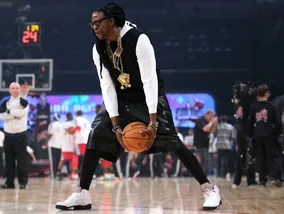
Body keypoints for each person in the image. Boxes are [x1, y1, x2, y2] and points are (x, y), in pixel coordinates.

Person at [56, 3, 221, 211]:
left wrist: (152, 122)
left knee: (172, 141)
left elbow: (149, 81)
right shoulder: (98, 48)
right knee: (96, 133)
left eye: (97, 22)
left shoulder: (138, 39)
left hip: (148, 97)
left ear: (111, 21)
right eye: (92, 24)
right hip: (121, 97)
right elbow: (107, 86)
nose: (94, 27)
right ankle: (81, 193)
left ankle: (209, 189)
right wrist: (115, 125)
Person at [248, 84, 282, 186]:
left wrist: (250, 135)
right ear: (266, 93)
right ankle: (272, 176)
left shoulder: (253, 107)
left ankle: (262, 180)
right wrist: (279, 133)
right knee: (273, 156)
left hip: (257, 135)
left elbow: (250, 122)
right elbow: (275, 121)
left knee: (260, 157)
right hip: (269, 134)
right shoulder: (271, 106)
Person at [0, 82, 29, 189]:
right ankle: (9, 182)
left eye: (17, 88)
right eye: (13, 88)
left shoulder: (24, 102)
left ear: (20, 89)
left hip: (20, 135)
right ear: (9, 90)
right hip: (8, 135)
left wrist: (9, 112)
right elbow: (2, 116)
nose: (15, 90)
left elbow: (21, 114)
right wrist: (14, 114)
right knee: (9, 160)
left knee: (21, 160)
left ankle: (23, 182)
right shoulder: (4, 103)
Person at [193, 110, 218, 174]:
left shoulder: (208, 122)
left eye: (212, 117)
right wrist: (212, 122)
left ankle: (203, 176)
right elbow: (205, 129)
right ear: (206, 114)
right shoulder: (200, 119)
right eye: (211, 116)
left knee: (205, 161)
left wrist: (214, 124)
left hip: (206, 144)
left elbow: (212, 132)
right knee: (202, 161)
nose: (211, 118)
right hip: (199, 144)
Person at [45, 113, 64, 180]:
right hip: (60, 144)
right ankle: (57, 173)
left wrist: (46, 142)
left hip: (52, 144)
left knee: (53, 160)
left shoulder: (52, 124)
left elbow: (50, 134)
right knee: (58, 159)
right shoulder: (61, 125)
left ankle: (53, 174)